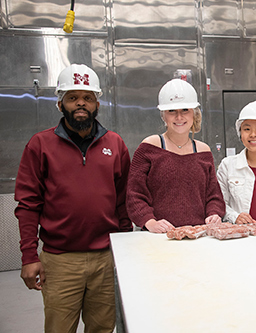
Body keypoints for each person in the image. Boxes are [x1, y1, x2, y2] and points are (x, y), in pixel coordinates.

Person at [14, 64, 132, 332]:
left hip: (106, 257)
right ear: (60, 104)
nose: (81, 103)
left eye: (88, 97)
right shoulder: (40, 145)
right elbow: (28, 205)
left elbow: (123, 201)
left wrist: (124, 251)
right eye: (72, 97)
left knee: (102, 328)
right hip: (60, 261)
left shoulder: (115, 144)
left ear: (97, 103)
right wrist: (29, 256)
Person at [126, 78, 225, 232]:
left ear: (194, 113)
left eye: (185, 109)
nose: (179, 117)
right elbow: (134, 194)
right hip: (159, 237)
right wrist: (150, 222)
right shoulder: (149, 147)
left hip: (198, 235)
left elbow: (213, 196)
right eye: (172, 111)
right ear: (163, 115)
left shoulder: (203, 151)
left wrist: (214, 213)